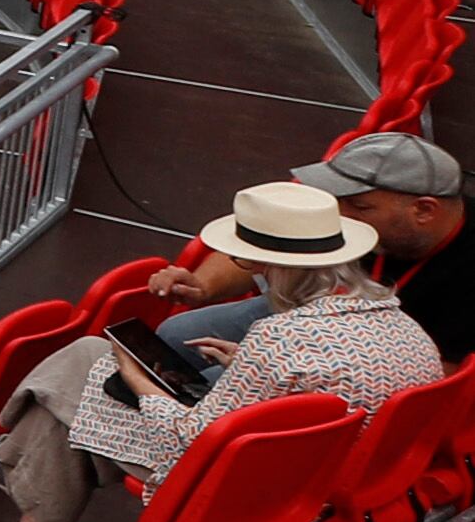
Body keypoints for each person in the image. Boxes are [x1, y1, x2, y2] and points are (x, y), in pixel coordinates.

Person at [0, 181, 447, 522]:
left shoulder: (278, 339)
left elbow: (194, 437)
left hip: (237, 486)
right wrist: (240, 365)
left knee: (86, 363)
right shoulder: (404, 325)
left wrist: (136, 378)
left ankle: (10, 483)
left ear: (268, 264)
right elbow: (315, 398)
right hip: (312, 482)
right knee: (86, 382)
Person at [155, 130, 475, 364]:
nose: (339, 216)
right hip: (308, 312)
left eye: (360, 207)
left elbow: (445, 379)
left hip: (382, 361)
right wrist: (202, 286)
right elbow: (261, 245)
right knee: (176, 335)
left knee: (216, 386)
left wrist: (293, 366)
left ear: (424, 210)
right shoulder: (354, 218)